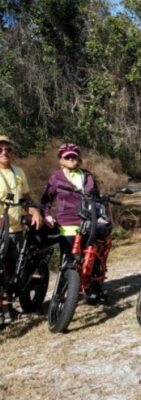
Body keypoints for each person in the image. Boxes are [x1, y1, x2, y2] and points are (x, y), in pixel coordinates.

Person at [0, 135, 43, 325]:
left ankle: (10, 308)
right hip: (0, 230)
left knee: (14, 272)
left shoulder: (18, 172)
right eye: (0, 149)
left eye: (8, 149)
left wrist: (34, 211)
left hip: (16, 229)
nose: (4, 153)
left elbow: (25, 198)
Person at [41, 143, 98, 260]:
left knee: (89, 259)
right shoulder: (57, 177)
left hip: (89, 224)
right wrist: (47, 215)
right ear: (61, 160)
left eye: (74, 156)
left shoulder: (88, 175)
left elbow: (96, 198)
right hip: (67, 224)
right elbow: (46, 200)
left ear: (79, 158)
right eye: (67, 157)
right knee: (70, 260)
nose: (71, 158)